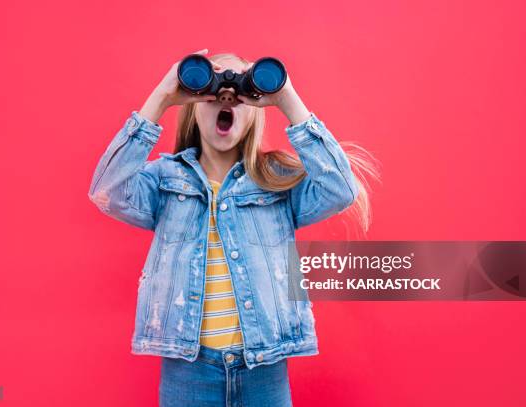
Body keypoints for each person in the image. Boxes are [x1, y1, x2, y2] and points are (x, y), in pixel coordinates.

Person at [88, 48, 377, 406]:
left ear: (254, 113)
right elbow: (107, 190)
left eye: (241, 96)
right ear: (194, 107)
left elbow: (341, 189)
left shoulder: (276, 183)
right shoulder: (165, 181)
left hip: (264, 372)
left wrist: (286, 97)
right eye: (212, 95)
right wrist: (162, 97)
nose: (226, 98)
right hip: (188, 373)